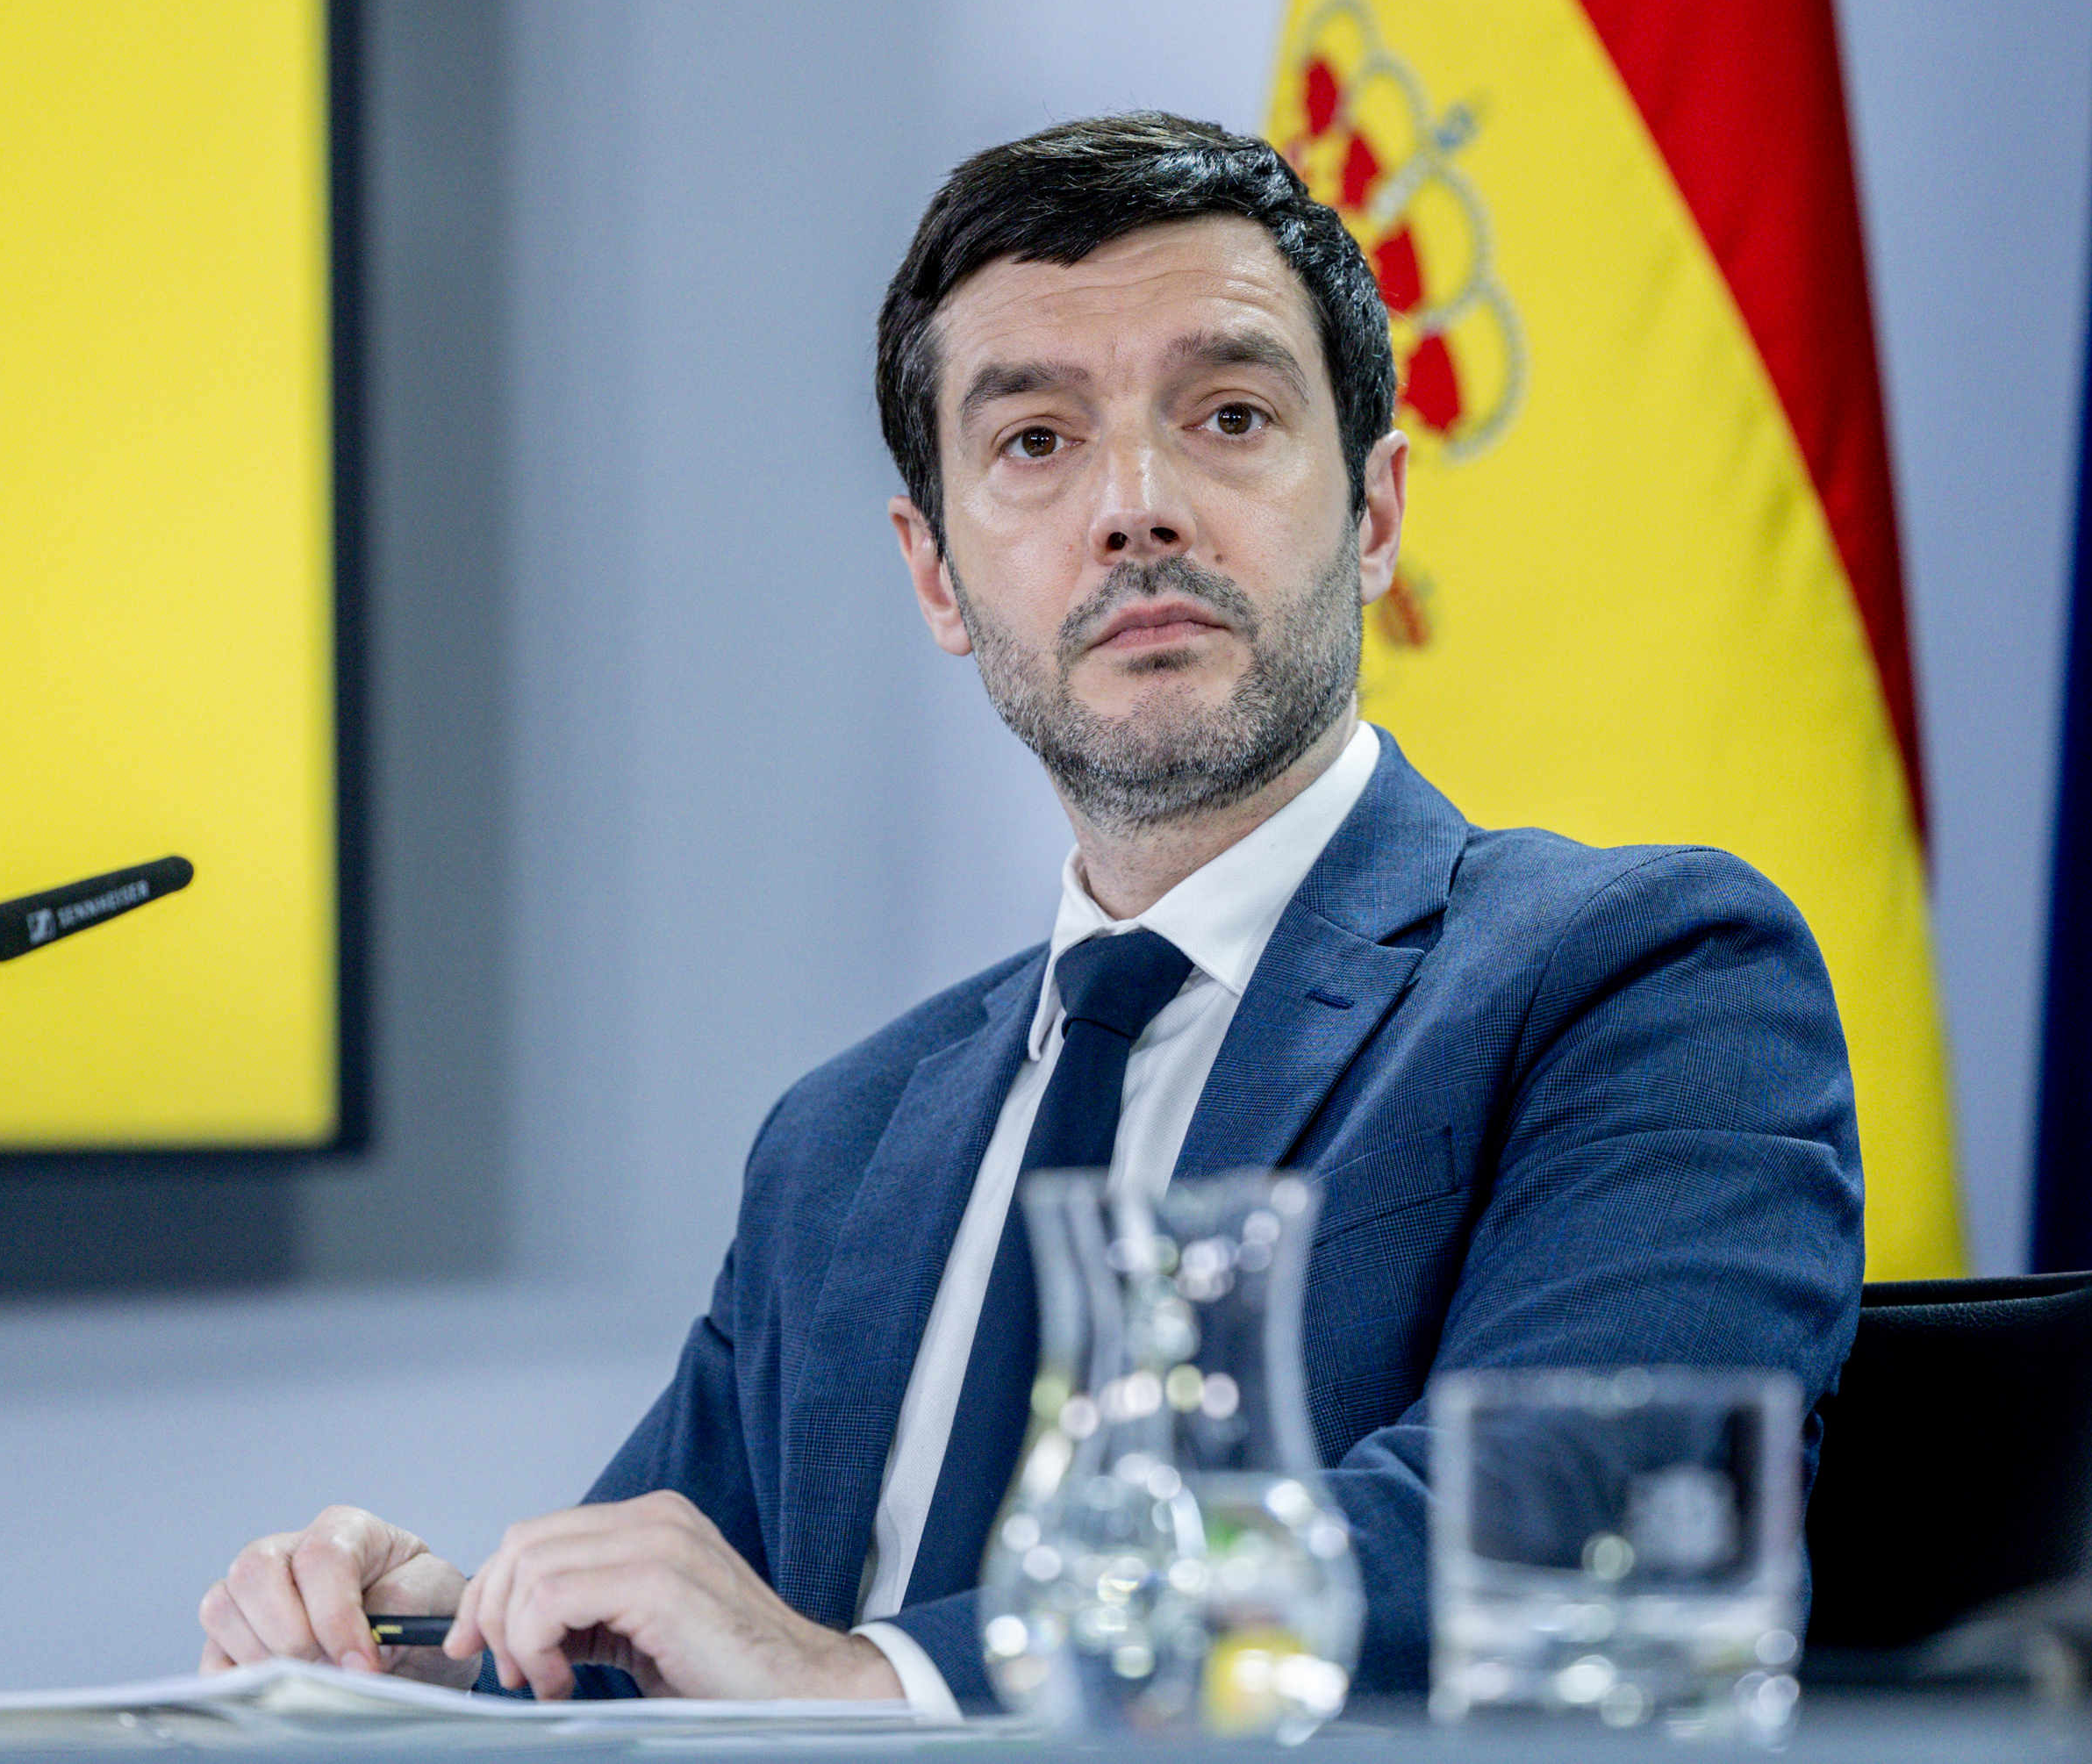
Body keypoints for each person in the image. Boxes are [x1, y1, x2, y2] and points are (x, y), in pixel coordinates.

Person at [196, 113, 1865, 1715]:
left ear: (1370, 513)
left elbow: (1558, 1540)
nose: (1131, 504)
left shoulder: (1638, 977)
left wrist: (880, 1683)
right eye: (1034, 441)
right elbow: (676, 1626)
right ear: (937, 574)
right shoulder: (842, 1142)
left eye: (1225, 416)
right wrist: (451, 1652)